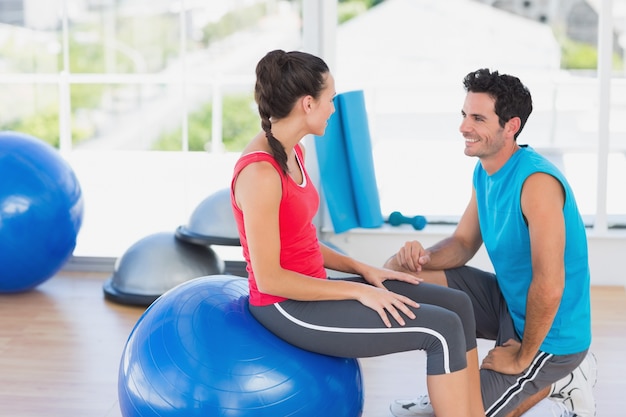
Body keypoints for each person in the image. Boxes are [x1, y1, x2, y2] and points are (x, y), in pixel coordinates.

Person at [230, 49, 486, 417]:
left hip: (316, 288)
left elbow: (299, 241)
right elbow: (271, 278)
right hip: (286, 308)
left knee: (458, 305)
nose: (334, 108)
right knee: (441, 330)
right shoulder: (260, 173)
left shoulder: (293, 151)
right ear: (307, 104)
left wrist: (365, 270)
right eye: (330, 99)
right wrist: (356, 290)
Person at [384, 68, 596, 417]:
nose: (464, 127)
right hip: (509, 305)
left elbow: (550, 283)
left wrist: (522, 356)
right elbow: (463, 243)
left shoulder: (537, 183)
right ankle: (450, 391)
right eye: (465, 115)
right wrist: (419, 258)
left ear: (510, 126)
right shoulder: (485, 171)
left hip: (551, 336)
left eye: (478, 118)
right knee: (400, 275)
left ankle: (563, 378)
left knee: (464, 414)